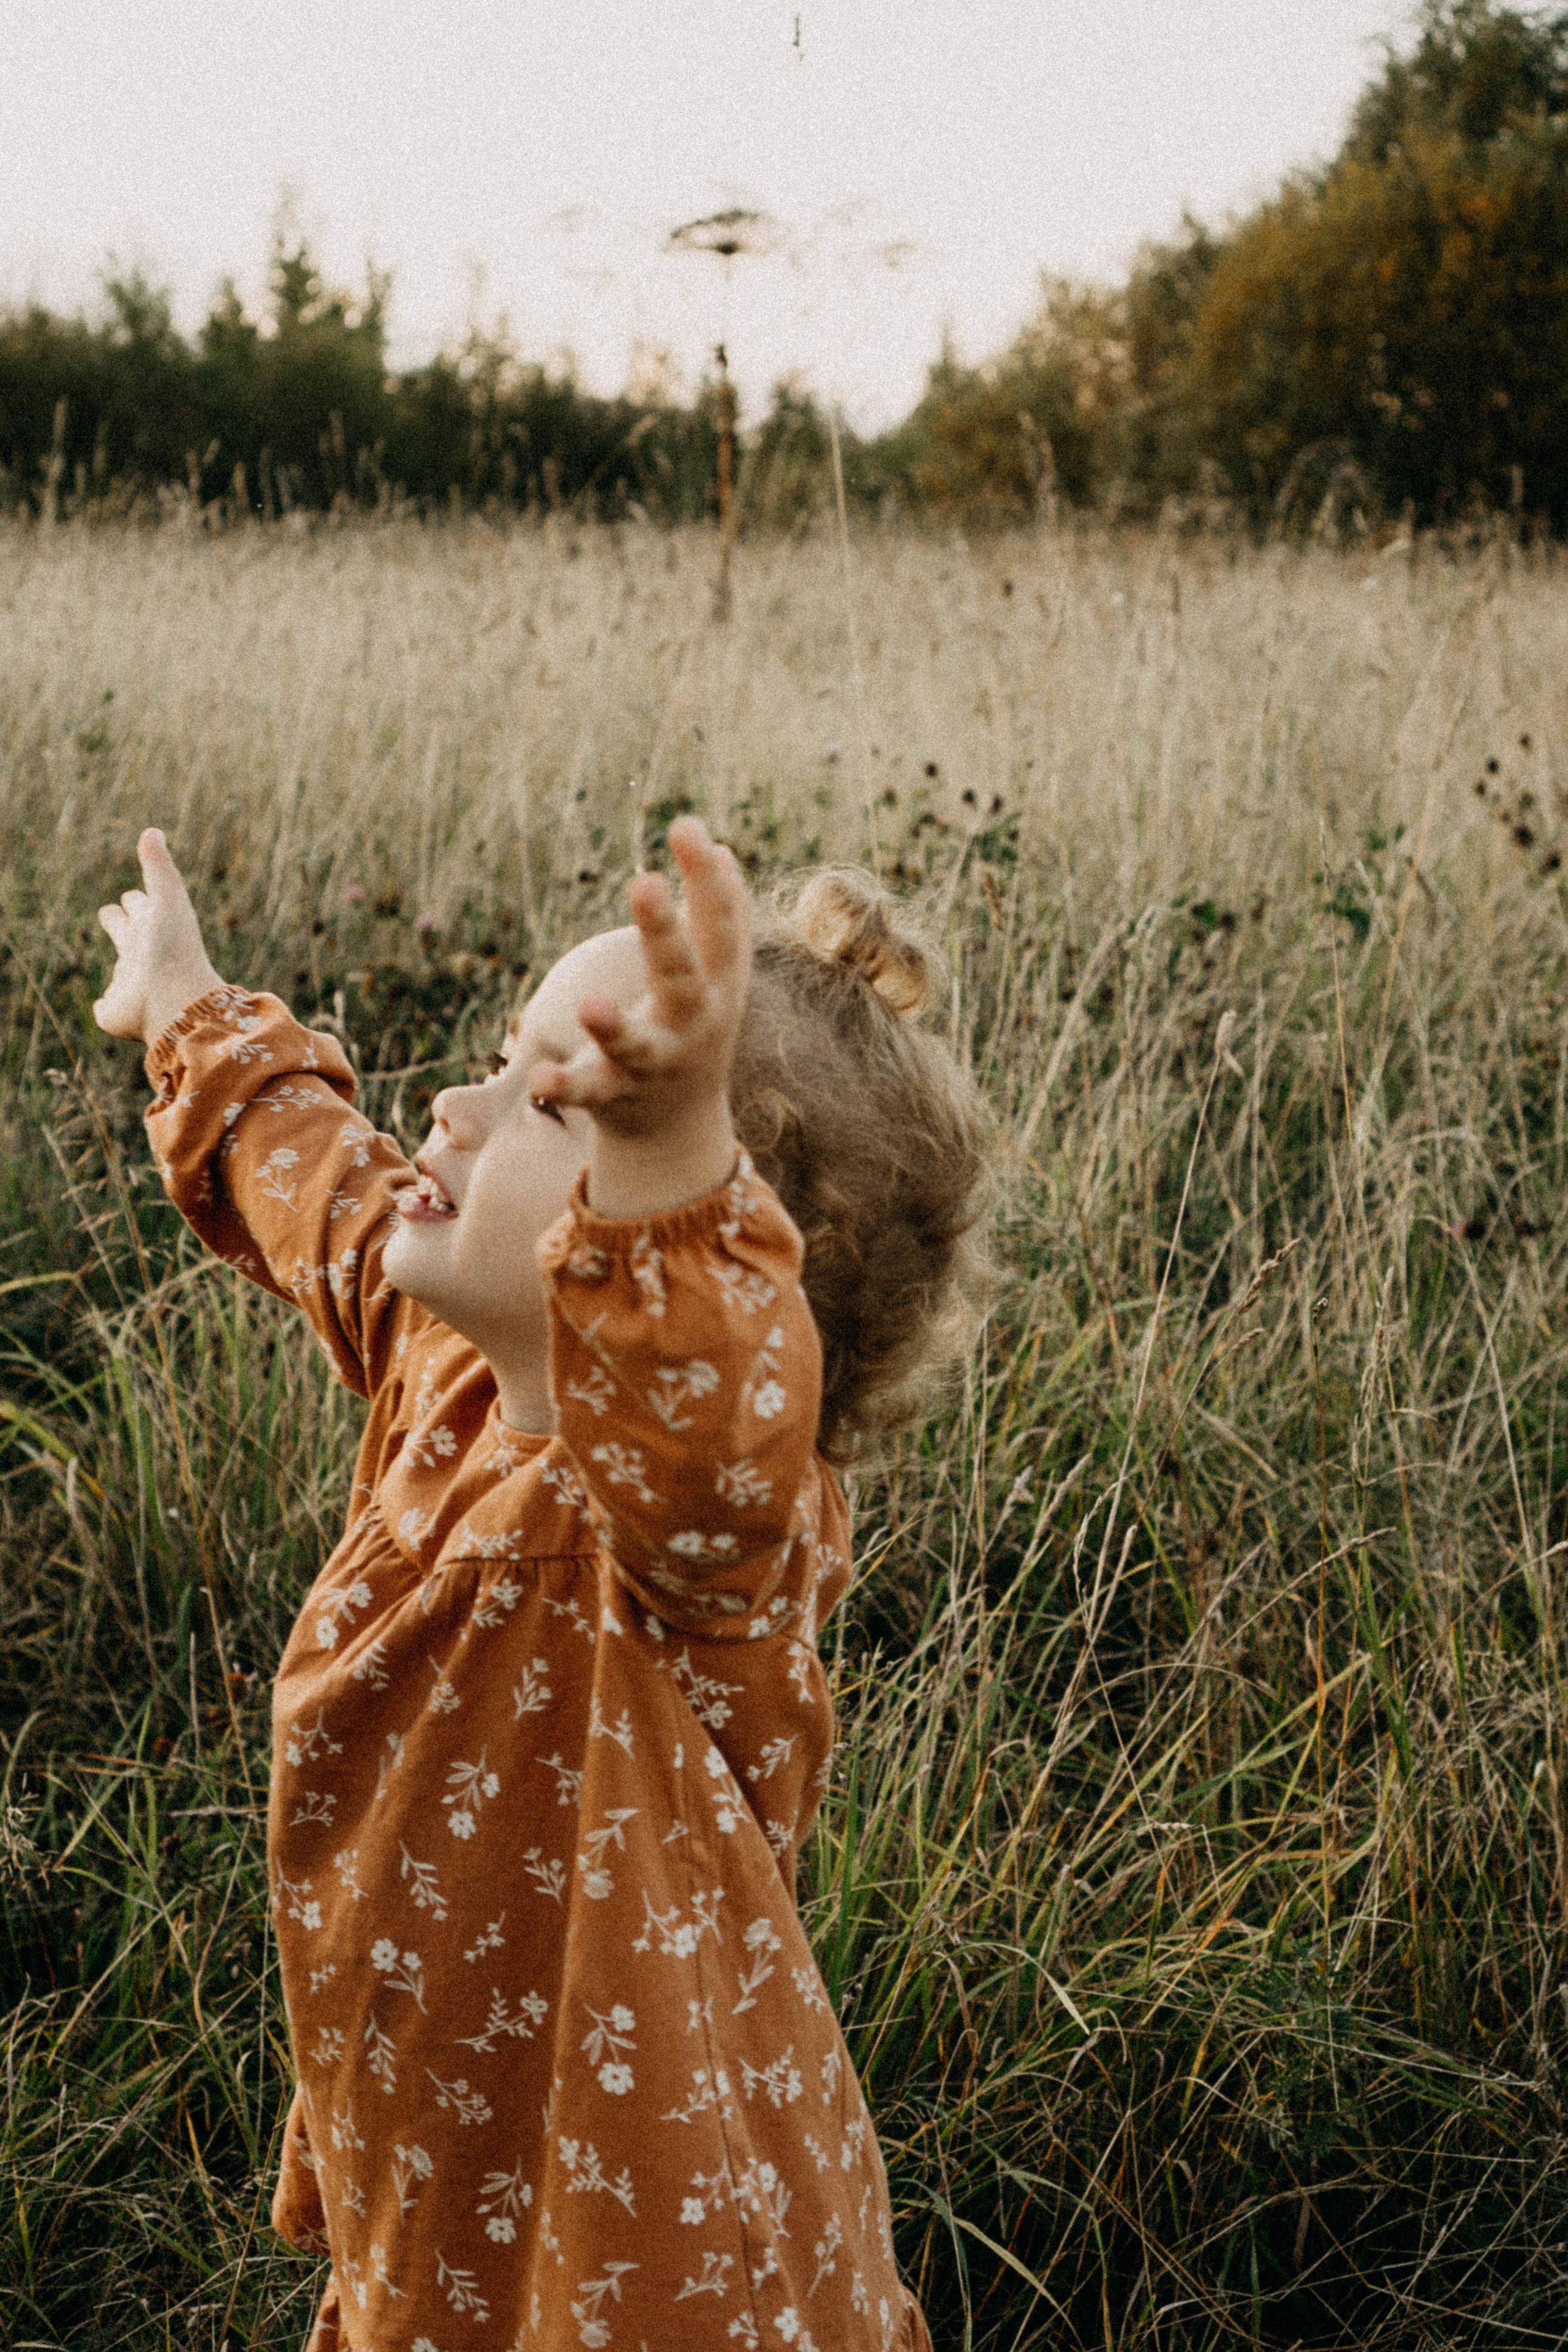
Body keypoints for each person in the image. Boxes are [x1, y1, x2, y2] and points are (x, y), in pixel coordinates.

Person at [93, 818, 992, 2352]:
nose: (453, 1105)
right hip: (453, 2172)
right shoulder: (453, 1368)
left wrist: (663, 1154)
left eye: (547, 1101)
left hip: (665, 2264)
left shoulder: (699, 1549)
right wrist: (189, 1001)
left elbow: (705, 1384)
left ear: (682, 1242)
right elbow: (320, 1187)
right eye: (501, 1063)